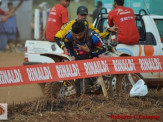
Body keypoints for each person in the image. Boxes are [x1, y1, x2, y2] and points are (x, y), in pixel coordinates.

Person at [64, 21, 105, 95]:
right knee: (76, 86)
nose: (77, 37)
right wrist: (72, 54)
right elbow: (66, 42)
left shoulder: (93, 36)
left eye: (80, 35)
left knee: (85, 87)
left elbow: (103, 49)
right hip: (77, 61)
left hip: (90, 62)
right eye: (75, 35)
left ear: (85, 30)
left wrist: (89, 51)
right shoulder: (69, 35)